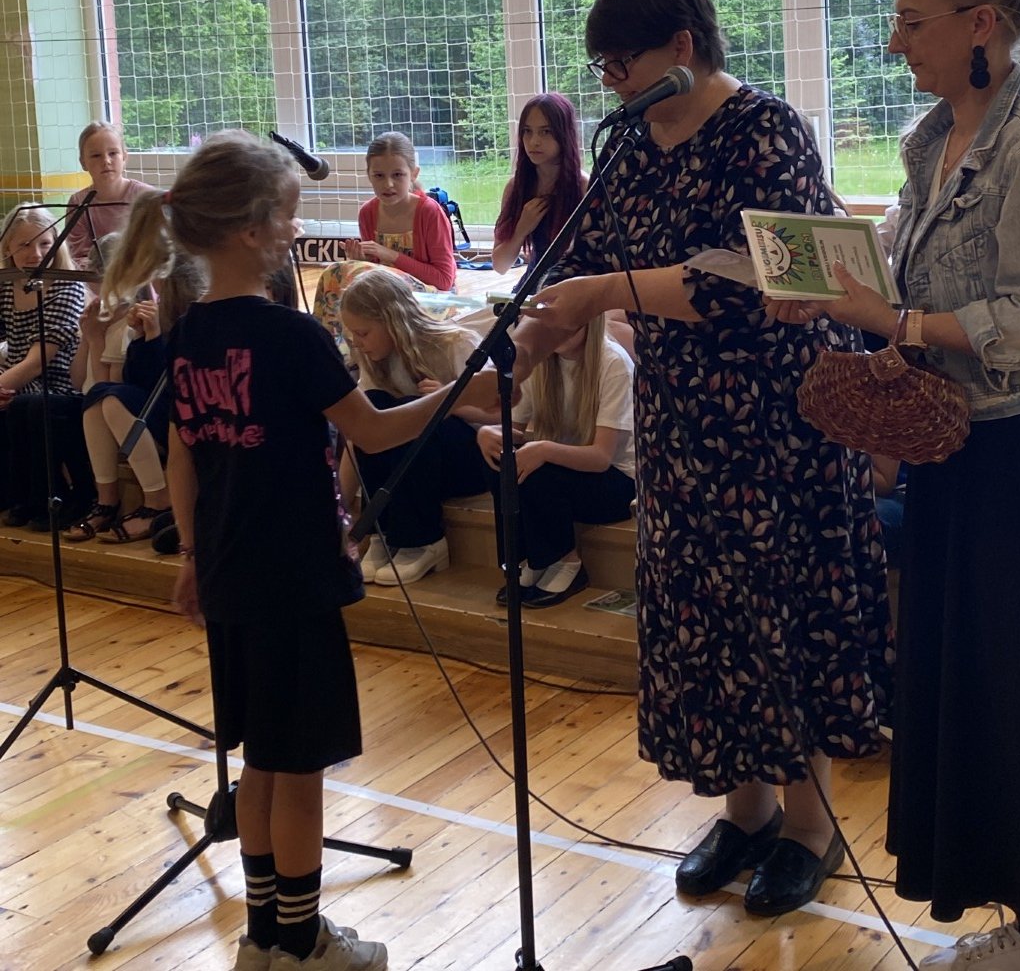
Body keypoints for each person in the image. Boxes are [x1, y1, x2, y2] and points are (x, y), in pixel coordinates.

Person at [770, 0, 1020, 971]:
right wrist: (832, 297)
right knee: (992, 711)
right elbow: (910, 287)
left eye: (911, 22)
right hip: (968, 466)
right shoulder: (933, 143)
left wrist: (899, 323)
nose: (895, 43)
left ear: (981, 23)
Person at [514, 0, 892, 914]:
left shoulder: (765, 130)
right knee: (709, 622)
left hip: (778, 426)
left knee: (780, 619)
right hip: (686, 427)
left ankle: (811, 829)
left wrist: (602, 294)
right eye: (600, 68)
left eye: (621, 62)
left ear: (681, 47)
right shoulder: (634, 145)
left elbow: (750, 282)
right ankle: (746, 813)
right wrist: (534, 333)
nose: (610, 83)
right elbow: (590, 262)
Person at [106, 130, 497, 971]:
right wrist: (461, 398)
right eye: (287, 215)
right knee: (301, 769)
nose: (295, 229)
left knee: (260, 761)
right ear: (253, 229)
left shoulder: (189, 333)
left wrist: (191, 557)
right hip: (296, 574)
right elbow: (371, 431)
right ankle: (302, 942)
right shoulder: (291, 336)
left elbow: (182, 455)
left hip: (229, 571)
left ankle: (263, 939)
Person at [338, 266, 489, 585]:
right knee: (374, 406)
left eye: (363, 333)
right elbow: (361, 434)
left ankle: (423, 540)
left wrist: (450, 400)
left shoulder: (456, 343)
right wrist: (341, 510)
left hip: (473, 460)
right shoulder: (375, 360)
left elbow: (506, 413)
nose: (358, 344)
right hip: (413, 467)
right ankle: (381, 531)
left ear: (392, 321)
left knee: (411, 413)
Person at [476, 312, 635, 608]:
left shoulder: (613, 363)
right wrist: (489, 433)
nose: (557, 330)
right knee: (499, 458)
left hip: (618, 482)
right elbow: (515, 430)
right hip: (568, 472)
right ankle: (527, 557)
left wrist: (545, 450)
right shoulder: (541, 363)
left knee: (541, 468)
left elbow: (601, 458)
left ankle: (566, 561)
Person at [66, 253, 207, 543]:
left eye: (159, 290)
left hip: (184, 416)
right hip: (156, 410)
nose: (153, 295)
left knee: (112, 399)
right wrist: (144, 338)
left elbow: (173, 384)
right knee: (98, 398)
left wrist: (155, 338)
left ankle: (157, 499)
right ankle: (106, 499)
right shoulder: (155, 315)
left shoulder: (196, 322)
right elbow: (137, 381)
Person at [0, 204, 90, 528]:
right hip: (15, 380)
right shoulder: (5, 285)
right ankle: (18, 496)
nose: (35, 254)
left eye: (44, 243)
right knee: (20, 403)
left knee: (31, 405)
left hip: (59, 384)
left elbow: (38, 362)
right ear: (8, 248)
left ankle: (51, 497)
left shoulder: (68, 286)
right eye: (24, 244)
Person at [344, 132, 456, 291]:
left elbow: (444, 280)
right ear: (369, 175)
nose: (388, 184)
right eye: (379, 175)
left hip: (428, 296)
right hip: (386, 294)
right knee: (335, 273)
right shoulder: (367, 213)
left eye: (397, 175)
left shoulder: (429, 212)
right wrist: (360, 262)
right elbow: (376, 274)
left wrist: (390, 255)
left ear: (413, 174)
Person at [491, 93, 587, 278]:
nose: (534, 141)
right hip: (533, 285)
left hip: (574, 287)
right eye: (527, 131)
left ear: (564, 134)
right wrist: (521, 230)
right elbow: (500, 265)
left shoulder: (584, 188)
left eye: (546, 132)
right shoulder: (516, 187)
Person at [64, 121, 155, 267]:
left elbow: (157, 250)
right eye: (96, 155)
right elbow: (78, 257)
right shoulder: (78, 201)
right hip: (94, 278)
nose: (106, 161)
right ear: (83, 162)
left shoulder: (146, 196)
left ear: (124, 156)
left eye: (113, 153)